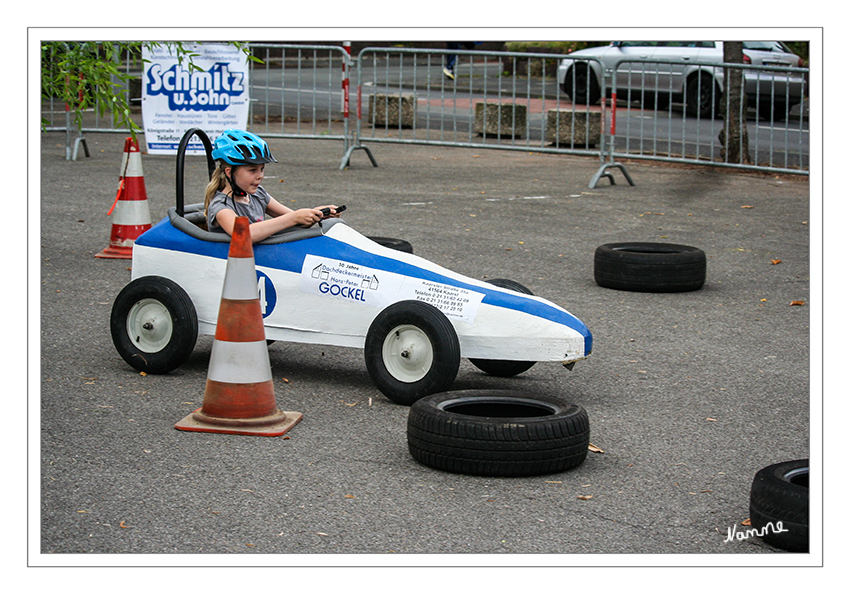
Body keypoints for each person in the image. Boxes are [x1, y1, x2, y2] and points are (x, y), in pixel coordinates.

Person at [204, 129, 340, 243]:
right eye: (252, 170)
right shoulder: (221, 207)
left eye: (262, 169)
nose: (260, 176)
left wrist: (316, 214)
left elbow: (296, 221)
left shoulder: (258, 194)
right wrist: (294, 217)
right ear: (229, 172)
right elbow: (244, 234)